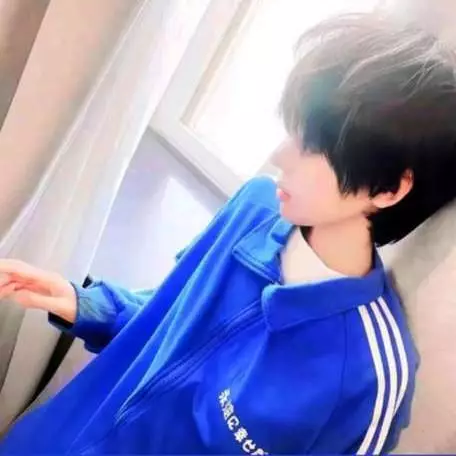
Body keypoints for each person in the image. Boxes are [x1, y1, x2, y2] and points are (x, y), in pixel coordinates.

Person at [1, 12, 456, 455]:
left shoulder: (367, 376)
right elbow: (170, 325)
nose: (280, 155)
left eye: (312, 145)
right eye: (292, 131)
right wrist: (85, 304)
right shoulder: (255, 208)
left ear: (390, 189)